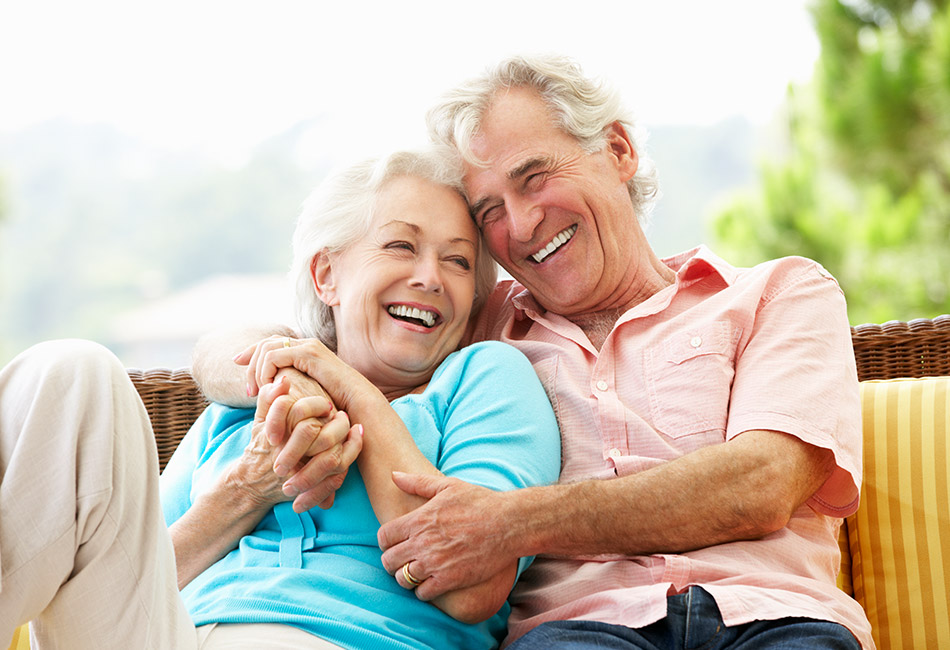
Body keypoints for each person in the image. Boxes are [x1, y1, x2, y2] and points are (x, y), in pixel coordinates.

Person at [195, 55, 874, 649]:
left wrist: (507, 524)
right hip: (582, 631)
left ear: (617, 150)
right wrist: (304, 379)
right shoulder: (482, 322)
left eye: (533, 177)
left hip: (772, 620)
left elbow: (762, 484)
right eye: (489, 210)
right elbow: (254, 341)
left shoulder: (778, 294)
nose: (518, 226)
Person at [0, 149, 561, 650]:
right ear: (326, 276)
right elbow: (126, 579)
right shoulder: (250, 398)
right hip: (170, 635)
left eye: (458, 261)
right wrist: (245, 491)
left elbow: (469, 588)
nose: (430, 277)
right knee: (71, 370)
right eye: (400, 245)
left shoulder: (486, 378)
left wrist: (350, 394)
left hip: (345, 639)